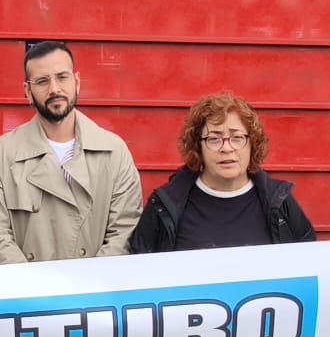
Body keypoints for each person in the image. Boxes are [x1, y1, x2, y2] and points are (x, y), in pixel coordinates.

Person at [0, 40, 141, 263]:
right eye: (43, 81)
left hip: (95, 293)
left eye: (62, 77)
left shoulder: (114, 152)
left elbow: (123, 233)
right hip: (27, 293)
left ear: (77, 82)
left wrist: (87, 290)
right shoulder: (3, 155)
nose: (54, 89)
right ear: (27, 91)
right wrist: (37, 293)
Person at [130, 92, 315, 253]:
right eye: (214, 139)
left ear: (252, 144)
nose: (227, 148)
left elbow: (310, 265)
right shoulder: (165, 206)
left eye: (236, 137)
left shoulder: (280, 203)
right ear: (198, 147)